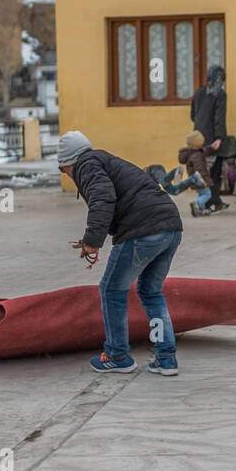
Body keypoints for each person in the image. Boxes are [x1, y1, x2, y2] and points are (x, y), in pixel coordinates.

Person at [58, 130, 185, 375]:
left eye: (64, 170)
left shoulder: (86, 165)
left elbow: (103, 198)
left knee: (112, 290)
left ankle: (117, 355)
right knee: (151, 292)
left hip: (141, 231)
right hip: (171, 227)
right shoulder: (106, 160)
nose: (67, 175)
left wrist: (92, 241)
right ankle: (166, 358)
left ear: (68, 163)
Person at [190, 65, 236, 208]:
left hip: (198, 138)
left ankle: (214, 200)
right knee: (214, 172)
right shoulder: (220, 94)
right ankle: (211, 201)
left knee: (204, 170)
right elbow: (219, 118)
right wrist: (219, 138)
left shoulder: (199, 92)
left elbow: (192, 115)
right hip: (212, 138)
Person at [172, 130, 224, 217]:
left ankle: (201, 209)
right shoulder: (197, 155)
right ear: (197, 143)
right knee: (207, 194)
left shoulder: (193, 153)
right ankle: (197, 204)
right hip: (200, 179)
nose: (203, 143)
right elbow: (201, 169)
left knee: (201, 193)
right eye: (201, 142)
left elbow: (203, 151)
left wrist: (211, 148)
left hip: (194, 179)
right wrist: (206, 180)